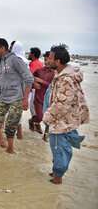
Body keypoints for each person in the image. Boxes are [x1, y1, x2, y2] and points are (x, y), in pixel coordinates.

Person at [43, 44, 89, 184]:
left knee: (59, 150)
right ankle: (57, 171)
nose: (47, 60)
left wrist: (47, 117)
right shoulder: (61, 74)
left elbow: (61, 105)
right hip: (66, 121)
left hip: (61, 123)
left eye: (50, 58)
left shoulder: (65, 79)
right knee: (59, 149)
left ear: (58, 61)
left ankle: (58, 178)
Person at [31, 51, 55, 135]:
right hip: (38, 98)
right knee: (40, 117)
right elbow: (30, 79)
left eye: (48, 60)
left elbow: (53, 85)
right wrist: (33, 84)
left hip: (51, 100)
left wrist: (41, 81)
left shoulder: (56, 73)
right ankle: (32, 121)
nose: (46, 62)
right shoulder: (39, 71)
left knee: (50, 119)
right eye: (45, 60)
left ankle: (46, 134)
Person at [10, 41, 29, 139]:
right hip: (21, 91)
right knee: (17, 116)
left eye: (11, 46)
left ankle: (14, 140)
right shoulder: (25, 62)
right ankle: (19, 137)